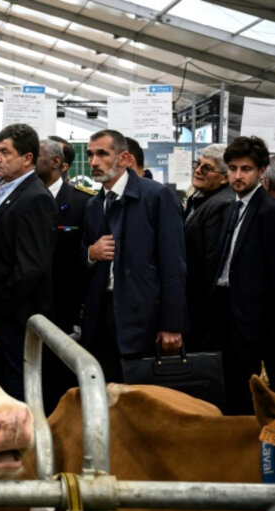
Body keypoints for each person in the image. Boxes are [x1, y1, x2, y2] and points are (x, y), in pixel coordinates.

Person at [81, 129, 186, 383]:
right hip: (102, 316)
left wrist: (172, 324)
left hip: (143, 318)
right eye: (90, 155)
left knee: (141, 399)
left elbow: (173, 264)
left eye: (102, 154)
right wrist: (91, 254)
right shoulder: (94, 204)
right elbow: (81, 256)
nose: (93, 162)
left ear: (125, 158)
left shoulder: (157, 197)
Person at [0, 123, 57, 400]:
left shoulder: (35, 198)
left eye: (5, 152)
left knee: (15, 384)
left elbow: (31, 267)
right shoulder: (1, 190)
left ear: (27, 159)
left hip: (14, 317)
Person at [211, 136, 275, 414]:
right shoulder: (232, 208)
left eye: (245, 169)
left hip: (253, 323)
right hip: (225, 311)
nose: (237, 175)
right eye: (233, 168)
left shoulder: (268, 212)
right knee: (230, 393)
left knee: (249, 399)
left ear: (261, 172)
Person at [35, 137, 95, 411]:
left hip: (66, 310)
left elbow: (84, 259)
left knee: (64, 383)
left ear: (57, 162)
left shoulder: (83, 203)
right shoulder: (24, 198)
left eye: (35, 156)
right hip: (32, 307)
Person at [183, 144, 233, 351]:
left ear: (224, 177)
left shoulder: (223, 204)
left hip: (205, 313)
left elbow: (211, 264)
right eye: (198, 164)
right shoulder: (201, 199)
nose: (197, 171)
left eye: (206, 168)